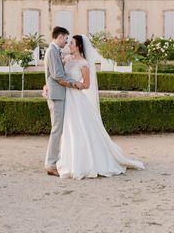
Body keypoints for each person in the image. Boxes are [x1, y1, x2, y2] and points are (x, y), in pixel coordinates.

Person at [53, 34, 145, 179]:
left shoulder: (83, 63)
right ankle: (69, 159)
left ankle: (84, 162)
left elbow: (86, 85)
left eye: (72, 43)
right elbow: (58, 75)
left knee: (80, 129)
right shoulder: (67, 59)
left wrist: (74, 84)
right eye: (69, 42)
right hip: (67, 98)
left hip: (76, 98)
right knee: (69, 128)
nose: (69, 45)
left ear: (79, 46)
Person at [43, 26, 85, 177]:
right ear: (60, 36)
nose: (66, 42)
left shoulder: (54, 51)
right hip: (56, 95)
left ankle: (56, 160)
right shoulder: (52, 51)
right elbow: (58, 75)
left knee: (59, 130)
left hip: (57, 94)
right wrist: (75, 83)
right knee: (56, 130)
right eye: (66, 38)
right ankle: (51, 164)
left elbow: (50, 74)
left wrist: (46, 84)